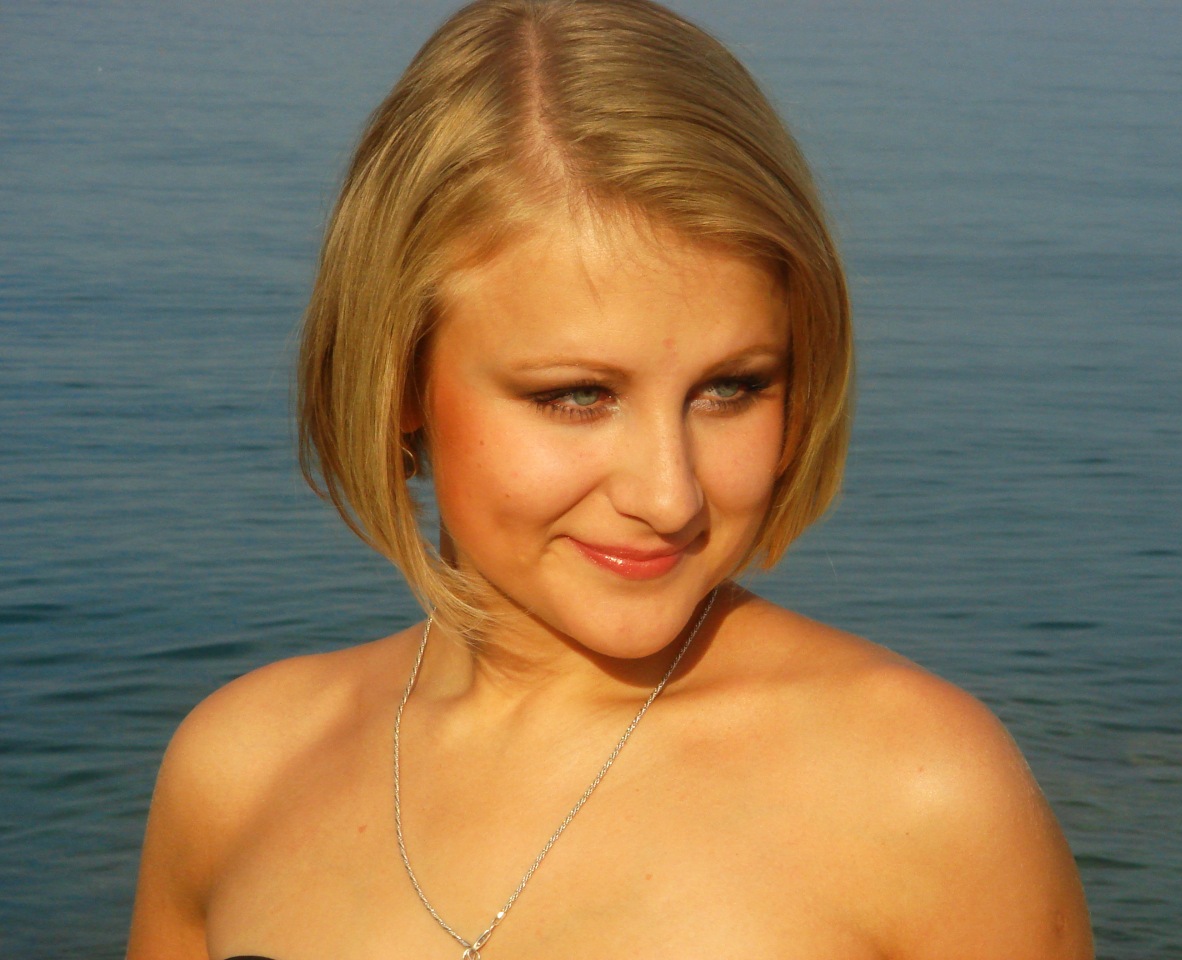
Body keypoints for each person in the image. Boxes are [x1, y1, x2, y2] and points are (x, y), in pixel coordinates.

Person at [126, 1, 1093, 957]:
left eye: (731, 388)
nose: (671, 496)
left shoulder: (921, 792)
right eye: (578, 396)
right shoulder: (237, 771)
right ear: (401, 378)